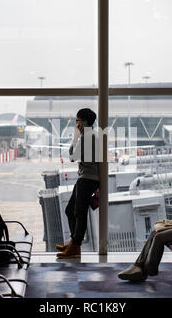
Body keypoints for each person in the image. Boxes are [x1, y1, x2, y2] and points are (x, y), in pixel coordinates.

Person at [56, 108, 100, 258]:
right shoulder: (89, 136)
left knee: (79, 213)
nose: (76, 123)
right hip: (85, 178)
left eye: (78, 120)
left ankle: (75, 246)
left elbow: (72, 157)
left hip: (88, 179)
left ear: (85, 122)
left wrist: (75, 138)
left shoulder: (89, 137)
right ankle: (74, 243)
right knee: (70, 210)